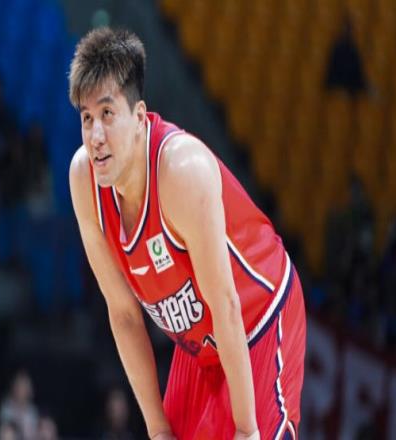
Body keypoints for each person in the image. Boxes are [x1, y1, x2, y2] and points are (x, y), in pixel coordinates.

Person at [69, 28, 306, 440]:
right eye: (87, 119)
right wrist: (157, 428)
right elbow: (123, 315)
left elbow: (226, 303)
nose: (96, 136)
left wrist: (247, 429)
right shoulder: (84, 179)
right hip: (200, 341)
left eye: (107, 114)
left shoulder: (181, 171)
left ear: (139, 117)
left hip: (257, 316)